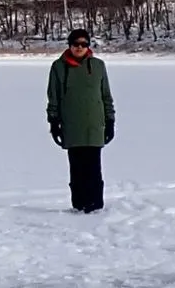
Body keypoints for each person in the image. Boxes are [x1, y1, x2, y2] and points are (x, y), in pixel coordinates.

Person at [45, 28, 117, 214]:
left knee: (94, 168)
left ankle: (96, 206)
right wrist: (54, 122)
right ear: (70, 45)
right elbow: (54, 97)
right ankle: (79, 206)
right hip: (72, 125)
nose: (79, 47)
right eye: (76, 44)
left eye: (84, 44)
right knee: (77, 169)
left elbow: (106, 96)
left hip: (94, 125)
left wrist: (110, 121)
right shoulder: (58, 67)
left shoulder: (98, 66)